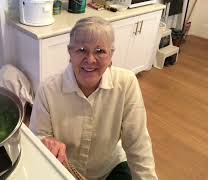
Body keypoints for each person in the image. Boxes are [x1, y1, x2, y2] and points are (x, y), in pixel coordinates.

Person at [29, 16, 158, 180]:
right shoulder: (48, 90)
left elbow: (138, 145)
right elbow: (37, 140)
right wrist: (46, 142)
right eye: (81, 50)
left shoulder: (127, 84)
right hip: (66, 169)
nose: (90, 60)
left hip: (110, 167)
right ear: (70, 53)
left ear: (111, 55)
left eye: (100, 51)